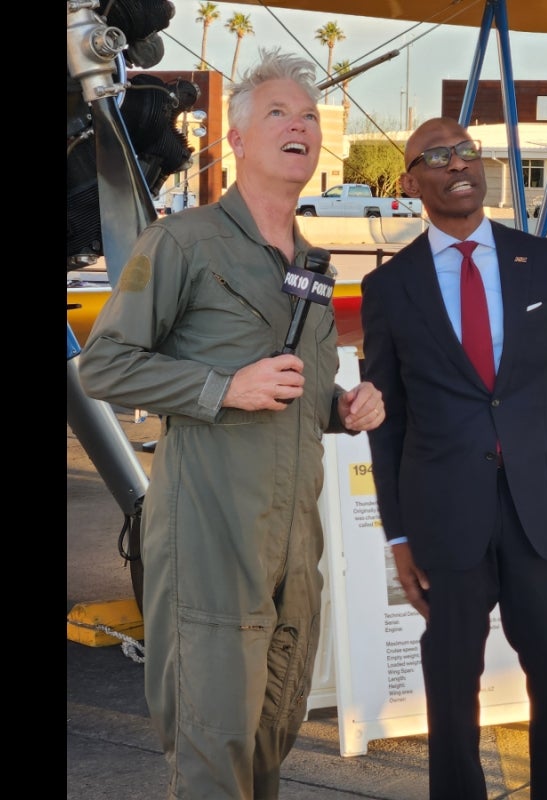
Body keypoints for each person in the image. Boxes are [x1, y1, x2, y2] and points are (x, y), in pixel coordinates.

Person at [78, 48, 385, 799]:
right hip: (211, 542)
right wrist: (224, 387)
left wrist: (342, 411)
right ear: (239, 140)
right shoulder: (182, 243)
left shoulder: (311, 263)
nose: (300, 127)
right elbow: (104, 367)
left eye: (310, 116)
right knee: (214, 756)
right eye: (278, 113)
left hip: (291, 549)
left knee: (267, 748)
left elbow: (295, 397)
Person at [360, 116, 547, 800]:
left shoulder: (544, 261)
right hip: (446, 521)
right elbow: (389, 421)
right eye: (437, 156)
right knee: (449, 690)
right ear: (412, 182)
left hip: (542, 513)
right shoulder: (390, 287)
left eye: (467, 149)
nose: (458, 163)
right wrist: (400, 535)